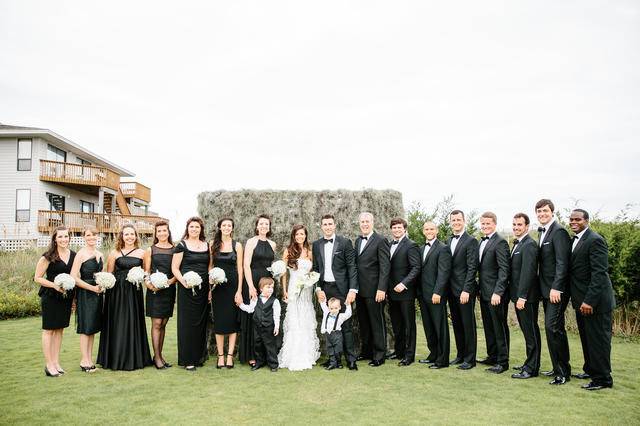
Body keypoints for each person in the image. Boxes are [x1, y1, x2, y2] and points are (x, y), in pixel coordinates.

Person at [568, 209, 616, 390]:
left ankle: (603, 379)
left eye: (577, 219)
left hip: (596, 303)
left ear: (586, 221)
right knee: (587, 339)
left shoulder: (595, 240)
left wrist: (589, 301)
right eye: (571, 219)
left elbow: (599, 274)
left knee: (599, 341)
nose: (573, 222)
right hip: (581, 300)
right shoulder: (576, 240)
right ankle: (590, 369)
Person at [97, 224, 153, 371]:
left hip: (134, 292)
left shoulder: (143, 253)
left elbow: (147, 273)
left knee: (133, 321)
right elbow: (109, 274)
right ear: (121, 236)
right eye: (126, 234)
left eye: (132, 234)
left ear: (136, 236)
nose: (129, 237)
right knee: (118, 322)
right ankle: (115, 357)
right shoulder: (114, 253)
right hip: (116, 293)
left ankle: (134, 357)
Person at [312, 214, 359, 370]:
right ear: (321, 226)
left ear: (334, 225)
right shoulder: (317, 244)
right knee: (329, 326)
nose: (327, 226)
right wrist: (318, 289)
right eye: (324, 224)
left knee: (345, 325)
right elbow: (316, 269)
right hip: (326, 289)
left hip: (342, 289)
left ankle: (351, 360)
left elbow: (352, 267)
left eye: (330, 224)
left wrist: (352, 290)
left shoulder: (345, 243)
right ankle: (334, 360)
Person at [535, 199, 572, 385]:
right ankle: (559, 367)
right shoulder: (542, 232)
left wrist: (557, 287)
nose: (542, 214)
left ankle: (563, 373)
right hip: (545, 290)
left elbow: (562, 262)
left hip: (556, 291)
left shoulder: (559, 232)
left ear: (552, 212)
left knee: (552, 327)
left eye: (545, 211)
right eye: (539, 211)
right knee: (555, 329)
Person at [34, 226, 76, 377]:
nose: (63, 239)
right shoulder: (47, 256)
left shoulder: (74, 255)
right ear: (54, 239)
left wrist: (74, 299)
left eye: (66, 237)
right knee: (49, 330)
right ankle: (49, 364)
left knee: (60, 329)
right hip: (51, 296)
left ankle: (56, 362)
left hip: (66, 297)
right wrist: (54, 285)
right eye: (60, 237)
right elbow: (37, 277)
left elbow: (74, 278)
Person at [171, 217, 211, 371]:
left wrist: (209, 290)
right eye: (192, 227)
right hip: (186, 289)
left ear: (201, 229)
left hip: (203, 288)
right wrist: (184, 282)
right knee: (187, 323)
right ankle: (188, 359)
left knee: (201, 323)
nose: (194, 229)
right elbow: (175, 268)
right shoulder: (181, 245)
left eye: (197, 227)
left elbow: (209, 267)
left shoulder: (206, 245)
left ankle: (199, 356)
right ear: (187, 228)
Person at [278, 225, 320, 371]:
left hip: (306, 290)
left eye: (302, 234)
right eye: (297, 234)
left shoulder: (309, 252)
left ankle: (307, 354)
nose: (299, 236)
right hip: (293, 289)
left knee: (306, 319)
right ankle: (294, 355)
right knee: (295, 320)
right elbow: (284, 273)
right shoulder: (288, 251)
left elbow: (314, 271)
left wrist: (311, 282)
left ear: (305, 235)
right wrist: (284, 290)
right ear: (293, 236)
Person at [353, 212, 390, 367]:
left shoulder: (381, 240)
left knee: (377, 322)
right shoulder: (357, 240)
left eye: (367, 221)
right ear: (359, 223)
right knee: (364, 323)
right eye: (362, 222)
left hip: (375, 290)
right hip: (360, 290)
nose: (365, 224)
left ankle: (380, 354)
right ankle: (366, 351)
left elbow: (385, 267)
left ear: (373, 222)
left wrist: (382, 288)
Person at [240, 214, 276, 366]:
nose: (264, 226)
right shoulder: (251, 242)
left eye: (266, 224)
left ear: (269, 227)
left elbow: (271, 265)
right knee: (252, 317)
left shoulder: (272, 244)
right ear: (257, 226)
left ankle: (266, 355)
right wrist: (250, 286)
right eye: (261, 224)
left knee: (266, 317)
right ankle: (251, 355)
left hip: (267, 282)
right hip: (253, 280)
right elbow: (246, 265)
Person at [477, 212, 511, 374]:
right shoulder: (481, 242)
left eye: (488, 224)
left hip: (496, 294)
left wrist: (498, 292)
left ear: (495, 224)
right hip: (484, 292)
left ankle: (502, 362)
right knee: (489, 326)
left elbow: (504, 270)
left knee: (499, 327)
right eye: (483, 224)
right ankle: (492, 356)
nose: (485, 226)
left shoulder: (501, 242)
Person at [509, 213, 542, 379]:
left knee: (531, 333)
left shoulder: (529, 245)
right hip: (518, 296)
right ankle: (529, 363)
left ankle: (531, 368)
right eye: (514, 224)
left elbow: (528, 273)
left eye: (519, 225)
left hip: (526, 298)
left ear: (527, 227)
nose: (516, 227)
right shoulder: (518, 243)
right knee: (526, 331)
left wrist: (522, 297)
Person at [447, 210, 479, 370]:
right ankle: (460, 355)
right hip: (451, 290)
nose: (456, 222)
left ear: (464, 221)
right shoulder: (448, 240)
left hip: (464, 290)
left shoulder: (471, 241)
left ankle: (470, 359)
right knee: (457, 324)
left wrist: (466, 290)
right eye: (453, 220)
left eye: (459, 219)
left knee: (468, 325)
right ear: (450, 222)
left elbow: (472, 267)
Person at [209, 218, 243, 369]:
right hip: (218, 289)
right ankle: (220, 356)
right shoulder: (212, 244)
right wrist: (211, 287)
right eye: (224, 225)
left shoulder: (238, 245)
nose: (227, 227)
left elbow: (240, 269)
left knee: (232, 321)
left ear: (232, 228)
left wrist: (239, 291)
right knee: (220, 322)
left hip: (232, 287)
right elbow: (210, 266)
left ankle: (230, 356)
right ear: (220, 227)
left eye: (229, 225)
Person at [417, 221, 452, 369]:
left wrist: (438, 292)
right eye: (426, 229)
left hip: (436, 294)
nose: (429, 231)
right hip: (423, 295)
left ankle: (442, 359)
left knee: (440, 327)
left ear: (436, 230)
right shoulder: (420, 249)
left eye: (432, 228)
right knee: (429, 327)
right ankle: (433, 354)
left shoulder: (443, 249)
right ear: (423, 231)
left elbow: (443, 273)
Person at [386, 218, 421, 366]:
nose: (396, 230)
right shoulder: (388, 245)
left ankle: (409, 355)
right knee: (397, 325)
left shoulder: (411, 245)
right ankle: (399, 351)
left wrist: (404, 284)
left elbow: (416, 268)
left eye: (399, 227)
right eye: (394, 227)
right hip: (391, 292)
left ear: (404, 229)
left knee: (408, 325)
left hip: (405, 292)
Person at [70, 226, 104, 373]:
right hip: (85, 293)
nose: (91, 238)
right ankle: (84, 361)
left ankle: (90, 358)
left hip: (98, 294)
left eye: (94, 235)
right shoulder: (80, 254)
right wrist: (92, 288)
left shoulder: (100, 254)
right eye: (88, 235)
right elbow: (74, 277)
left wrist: (102, 285)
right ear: (84, 237)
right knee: (86, 327)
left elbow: (101, 274)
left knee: (93, 328)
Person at [143, 220, 176, 370]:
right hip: (154, 291)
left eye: (164, 230)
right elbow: (146, 272)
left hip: (168, 289)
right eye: (159, 231)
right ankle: (156, 358)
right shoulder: (151, 250)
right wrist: (150, 285)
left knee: (163, 324)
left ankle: (160, 355)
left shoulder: (175, 249)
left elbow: (177, 271)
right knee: (156, 323)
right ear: (156, 234)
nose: (162, 233)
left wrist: (168, 282)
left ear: (168, 232)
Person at [239, 277, 281, 372]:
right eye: (268, 287)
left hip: (268, 327)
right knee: (257, 346)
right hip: (257, 327)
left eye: (272, 287)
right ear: (261, 288)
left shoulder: (275, 301)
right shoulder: (255, 299)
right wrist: (241, 305)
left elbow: (276, 315)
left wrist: (277, 326)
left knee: (270, 346)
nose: (271, 289)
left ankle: (273, 364)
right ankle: (259, 362)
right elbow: (250, 309)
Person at [320, 298, 353, 370]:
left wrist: (348, 305)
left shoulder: (341, 316)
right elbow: (323, 305)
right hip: (328, 335)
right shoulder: (326, 313)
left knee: (338, 350)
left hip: (337, 335)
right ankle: (332, 363)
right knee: (330, 349)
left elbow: (348, 314)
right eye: (331, 308)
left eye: (336, 308)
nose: (334, 310)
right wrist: (322, 299)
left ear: (339, 307)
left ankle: (338, 362)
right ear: (328, 308)